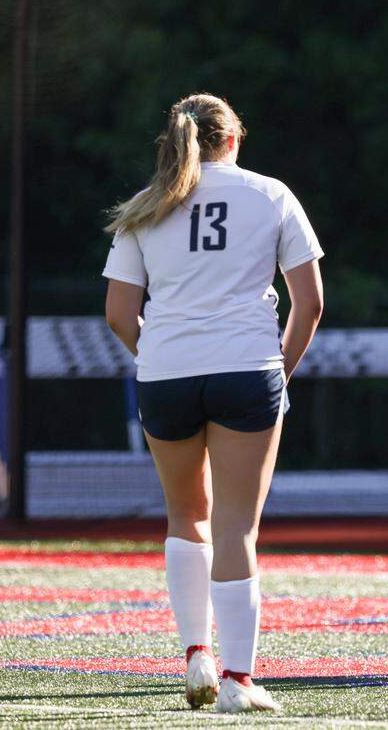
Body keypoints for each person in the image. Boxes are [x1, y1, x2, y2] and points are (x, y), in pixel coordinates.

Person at [103, 93, 324, 711]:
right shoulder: (271, 194)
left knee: (185, 518)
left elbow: (120, 313)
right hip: (245, 369)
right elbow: (309, 303)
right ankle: (238, 681)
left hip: (167, 372)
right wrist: (281, 369)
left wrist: (160, 356)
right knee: (236, 528)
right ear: (234, 140)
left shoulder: (147, 207)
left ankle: (196, 655)